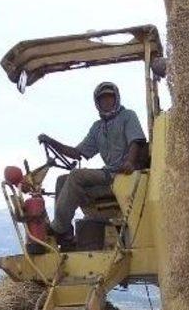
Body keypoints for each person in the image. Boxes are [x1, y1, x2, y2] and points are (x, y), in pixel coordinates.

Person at [38, 81, 147, 247]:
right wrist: (51, 141)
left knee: (76, 175)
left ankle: (57, 228)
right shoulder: (97, 128)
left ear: (116, 98)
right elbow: (77, 152)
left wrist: (130, 162)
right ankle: (65, 234)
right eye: (103, 99)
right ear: (97, 103)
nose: (107, 102)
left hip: (122, 175)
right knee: (62, 180)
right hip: (107, 175)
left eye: (110, 98)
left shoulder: (128, 116)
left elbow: (136, 141)